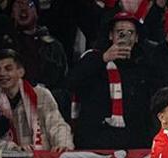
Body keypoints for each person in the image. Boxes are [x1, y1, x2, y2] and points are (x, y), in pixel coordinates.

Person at [68, 11, 159, 149]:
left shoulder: (144, 64)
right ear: (111, 35)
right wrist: (103, 59)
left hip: (134, 142)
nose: (124, 38)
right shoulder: (93, 58)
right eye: (120, 32)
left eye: (130, 33)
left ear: (136, 38)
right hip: (96, 141)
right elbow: (71, 82)